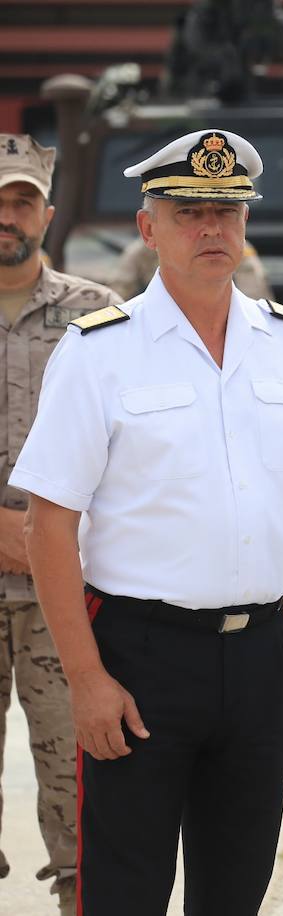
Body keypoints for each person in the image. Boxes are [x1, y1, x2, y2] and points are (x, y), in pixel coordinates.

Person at [13, 128, 283, 916]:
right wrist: (87, 680)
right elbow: (49, 527)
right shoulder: (99, 352)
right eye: (189, 211)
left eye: (226, 214)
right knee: (125, 894)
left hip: (262, 655)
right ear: (147, 228)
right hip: (139, 658)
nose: (210, 229)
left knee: (235, 893)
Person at [0, 134, 122, 916]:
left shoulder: (97, 317)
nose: (5, 216)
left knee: (84, 789)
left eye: (20, 201)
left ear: (47, 210)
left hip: (63, 599)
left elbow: (134, 449)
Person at [106, 231, 273, 301]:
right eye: (189, 212)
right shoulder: (142, 250)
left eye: (224, 211)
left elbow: (254, 294)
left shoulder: (237, 248)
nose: (209, 229)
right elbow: (118, 292)